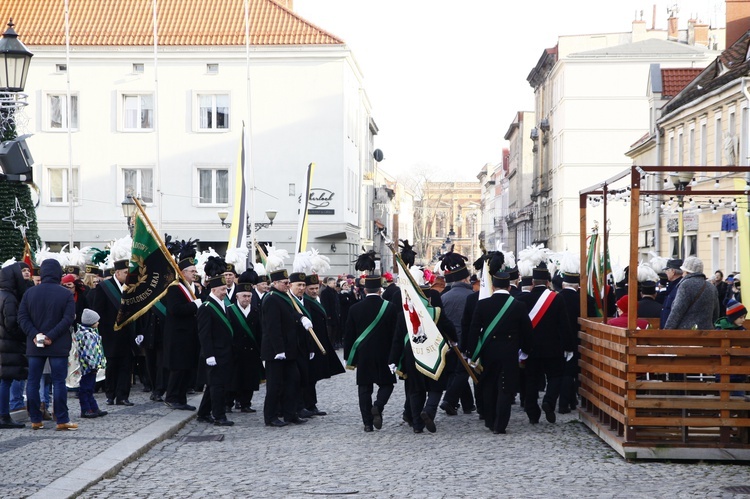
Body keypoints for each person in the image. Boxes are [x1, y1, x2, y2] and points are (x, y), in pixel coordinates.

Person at [467, 272, 532, 434]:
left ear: (493, 287)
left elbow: (473, 330)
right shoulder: (518, 305)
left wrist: (471, 353)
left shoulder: (482, 304)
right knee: (505, 387)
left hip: (488, 352)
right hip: (509, 352)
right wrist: (525, 350)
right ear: (509, 287)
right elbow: (527, 331)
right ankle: (500, 424)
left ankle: (490, 420)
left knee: (488, 385)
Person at [17, 259, 77, 431]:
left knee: (33, 382)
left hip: (35, 343)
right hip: (57, 344)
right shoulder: (65, 294)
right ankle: (62, 419)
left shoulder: (30, 293)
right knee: (59, 382)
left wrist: (36, 335)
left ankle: (35, 419)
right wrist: (51, 336)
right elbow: (68, 319)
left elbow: (22, 318)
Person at [514, 263, 575, 425]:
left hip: (530, 348)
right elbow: (564, 325)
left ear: (533, 282)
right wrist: (569, 346)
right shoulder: (557, 298)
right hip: (553, 347)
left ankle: (532, 412)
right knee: (555, 377)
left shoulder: (523, 299)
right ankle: (548, 401)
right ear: (548, 282)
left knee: (532, 379)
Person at [344, 275, 399, 432]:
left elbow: (349, 335)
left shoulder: (354, 309)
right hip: (385, 353)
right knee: (387, 384)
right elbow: (396, 334)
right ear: (380, 290)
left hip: (364, 355)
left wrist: (349, 357)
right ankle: (378, 406)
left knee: (364, 389)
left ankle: (367, 423)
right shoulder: (390, 307)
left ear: (365, 289)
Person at [261, 269, 311, 427]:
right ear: (275, 283)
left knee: (293, 381)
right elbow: (273, 327)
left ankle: (291, 414)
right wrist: (279, 350)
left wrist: (301, 317)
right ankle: (270, 417)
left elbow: (290, 313)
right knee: (275, 386)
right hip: (276, 352)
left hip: (289, 350)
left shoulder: (283, 297)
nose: (288, 285)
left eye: (288, 282)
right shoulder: (271, 299)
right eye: (285, 283)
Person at [91, 259, 135, 406]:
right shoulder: (104, 287)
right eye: (125, 273)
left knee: (126, 366)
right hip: (109, 333)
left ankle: (123, 396)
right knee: (112, 365)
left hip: (126, 334)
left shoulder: (130, 288)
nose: (127, 275)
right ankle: (110, 394)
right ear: (117, 272)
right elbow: (98, 310)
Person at [163, 246, 202, 411]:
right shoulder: (174, 288)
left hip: (189, 336)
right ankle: (172, 397)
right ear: (183, 272)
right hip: (178, 336)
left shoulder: (191, 288)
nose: (195, 273)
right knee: (178, 369)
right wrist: (194, 306)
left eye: (195, 270)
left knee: (186, 369)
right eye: (191, 271)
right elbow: (174, 310)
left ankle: (181, 398)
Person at [439, 254, 476, 416]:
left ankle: (468, 404)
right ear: (466, 279)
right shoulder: (472, 297)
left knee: (457, 372)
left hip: (448, 341)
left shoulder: (443, 297)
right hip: (466, 340)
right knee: (462, 372)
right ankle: (449, 400)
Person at [302, 274, 345, 415]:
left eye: (316, 288)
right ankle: (307, 404)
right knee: (308, 377)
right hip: (311, 344)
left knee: (313, 376)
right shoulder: (305, 302)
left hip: (321, 341)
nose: (314, 291)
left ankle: (311, 404)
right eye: (311, 288)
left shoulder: (315, 300)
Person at [196, 275, 235, 426]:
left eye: (226, 289)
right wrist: (209, 355)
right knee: (218, 386)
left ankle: (203, 413)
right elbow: (204, 334)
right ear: (213, 289)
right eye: (223, 289)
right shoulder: (206, 307)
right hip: (215, 353)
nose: (225, 292)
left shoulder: (223, 304)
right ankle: (219, 416)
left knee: (214, 385)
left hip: (225, 352)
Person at [226, 275, 263, 413]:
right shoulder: (229, 311)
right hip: (235, 351)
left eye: (249, 296)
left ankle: (245, 403)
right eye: (244, 296)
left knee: (249, 378)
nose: (246, 299)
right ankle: (228, 403)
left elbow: (260, 332)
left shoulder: (255, 311)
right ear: (237, 296)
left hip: (252, 351)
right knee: (233, 379)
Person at [0, 263, 29, 429]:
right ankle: (4, 415)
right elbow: (11, 324)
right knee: (5, 381)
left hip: (3, 344)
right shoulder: (9, 298)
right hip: (8, 346)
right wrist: (23, 334)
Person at [664, 257, 720, 330]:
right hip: (707, 333)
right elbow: (716, 314)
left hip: (687, 334)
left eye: (683, 272)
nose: (682, 275)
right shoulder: (711, 287)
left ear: (686, 272)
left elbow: (677, 311)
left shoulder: (685, 285)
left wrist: (667, 330)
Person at [74, 309, 108, 418]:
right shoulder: (88, 335)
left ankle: (93, 407)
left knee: (90, 388)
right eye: (97, 321)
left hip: (90, 366)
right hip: (88, 367)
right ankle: (86, 409)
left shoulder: (90, 333)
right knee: (86, 388)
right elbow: (89, 352)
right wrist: (93, 365)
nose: (98, 323)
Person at [659, 259, 684, 329]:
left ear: (673, 271)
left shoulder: (680, 287)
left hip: (673, 330)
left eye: (667, 270)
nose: (666, 272)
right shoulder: (673, 285)